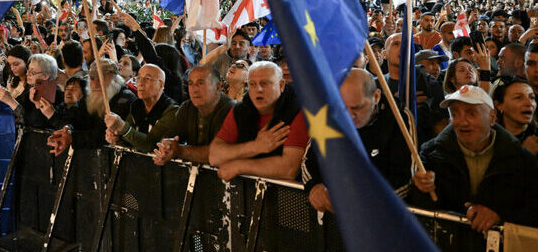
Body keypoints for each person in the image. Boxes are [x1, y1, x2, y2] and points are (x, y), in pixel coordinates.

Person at [412, 85, 538, 231]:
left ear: (492, 117)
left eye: (471, 113)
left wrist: (500, 215)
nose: (462, 122)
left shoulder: (521, 159)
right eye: (455, 113)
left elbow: (532, 208)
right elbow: (421, 211)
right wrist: (421, 188)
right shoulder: (431, 154)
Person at [303, 69, 412, 213]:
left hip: (383, 214)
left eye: (357, 107)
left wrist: (366, 202)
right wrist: (314, 186)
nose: (349, 116)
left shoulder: (398, 118)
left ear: (376, 96)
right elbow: (309, 160)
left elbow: (406, 178)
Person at [209, 61, 308, 181]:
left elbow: (289, 169)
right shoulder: (240, 110)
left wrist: (239, 166)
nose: (258, 89)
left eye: (265, 83)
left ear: (281, 85)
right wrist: (255, 146)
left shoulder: (299, 110)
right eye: (252, 84)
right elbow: (215, 156)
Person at [46, 59, 136, 155]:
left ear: (114, 78)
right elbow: (74, 117)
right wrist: (67, 129)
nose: (95, 84)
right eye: (92, 78)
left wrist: (73, 137)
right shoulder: (89, 96)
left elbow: (103, 135)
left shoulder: (125, 98)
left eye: (101, 78)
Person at [153, 65, 234, 165]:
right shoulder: (187, 107)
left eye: (200, 83)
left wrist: (180, 151)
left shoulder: (232, 110)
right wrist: (167, 148)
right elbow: (171, 136)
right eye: (190, 83)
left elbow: (219, 153)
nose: (194, 89)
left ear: (218, 87)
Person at [104, 64, 178, 152]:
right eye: (138, 78)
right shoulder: (136, 105)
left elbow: (151, 145)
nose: (140, 83)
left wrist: (122, 127)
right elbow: (129, 140)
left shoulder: (171, 110)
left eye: (147, 79)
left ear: (161, 84)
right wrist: (116, 137)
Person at [491, 75, 538, 155]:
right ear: (498, 105)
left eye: (532, 97)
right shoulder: (488, 140)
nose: (529, 103)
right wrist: (525, 153)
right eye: (518, 98)